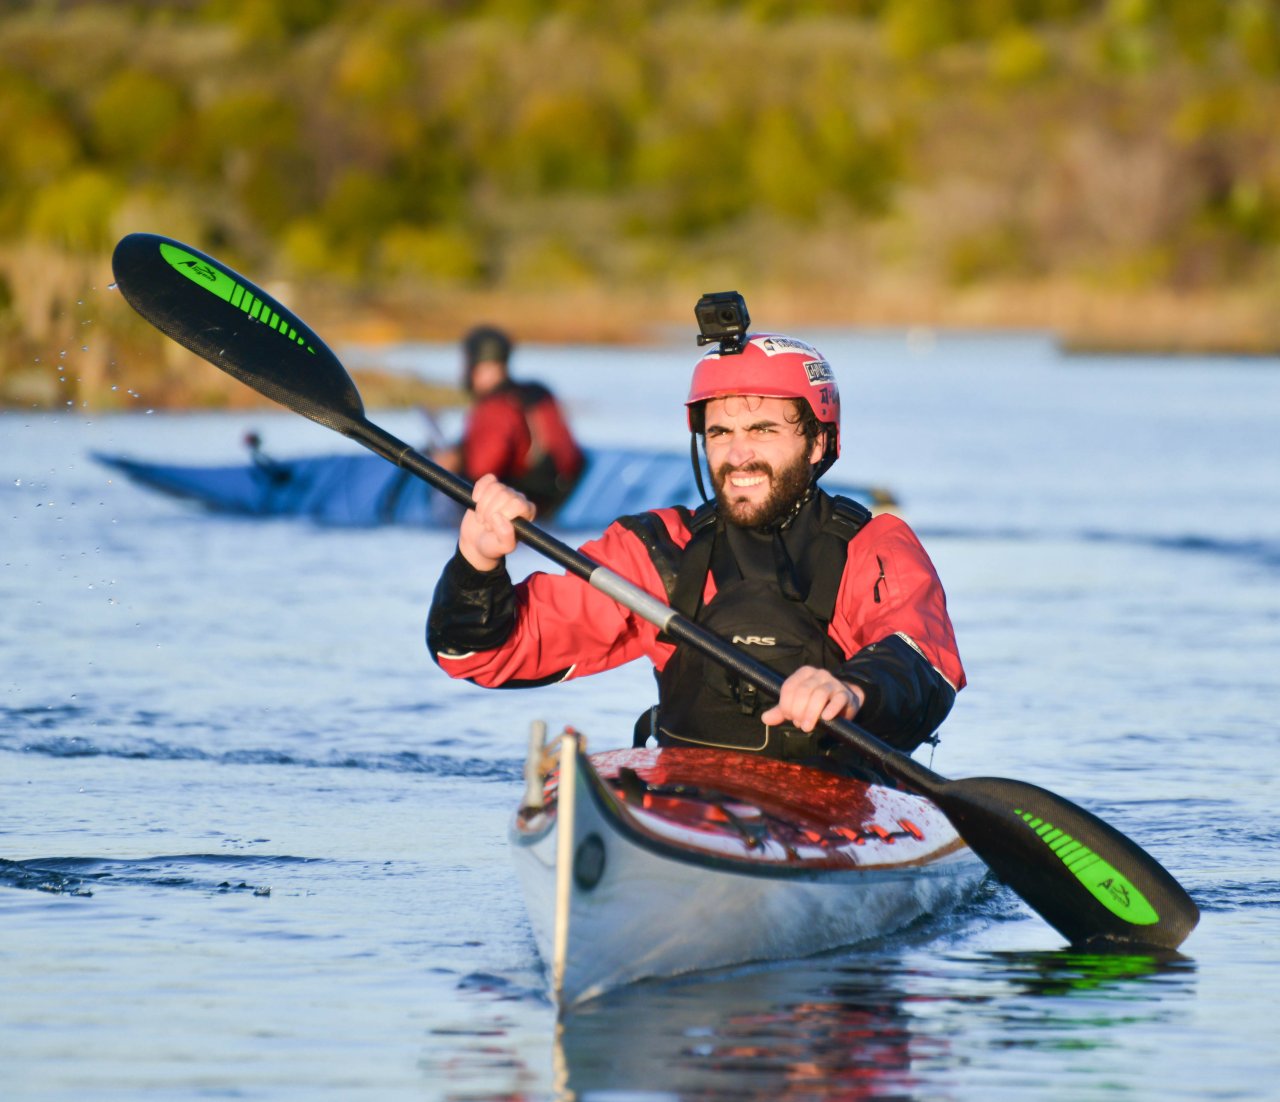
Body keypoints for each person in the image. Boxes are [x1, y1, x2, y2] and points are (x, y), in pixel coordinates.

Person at [427, 327, 963, 774]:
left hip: (836, 811)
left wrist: (853, 690)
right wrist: (477, 564)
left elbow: (924, 659)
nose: (738, 454)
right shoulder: (659, 551)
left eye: (763, 430)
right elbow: (480, 655)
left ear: (818, 442)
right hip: (692, 801)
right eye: (720, 432)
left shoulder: (874, 546)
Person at [434, 325, 585, 514]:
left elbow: (481, 472)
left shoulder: (494, 408)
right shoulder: (538, 392)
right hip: (561, 497)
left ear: (474, 364)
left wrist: (454, 464)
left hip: (524, 503)